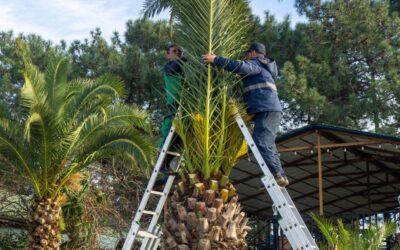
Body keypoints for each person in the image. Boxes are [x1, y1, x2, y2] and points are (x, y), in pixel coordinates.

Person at [202, 42, 289, 187]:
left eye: (248, 54)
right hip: (271, 110)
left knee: (260, 141)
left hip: (265, 109)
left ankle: (276, 174)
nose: (247, 57)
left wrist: (216, 60)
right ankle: (280, 174)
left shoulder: (256, 64)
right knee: (268, 143)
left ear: (254, 53)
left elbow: (241, 66)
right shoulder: (267, 67)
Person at [159, 44, 184, 172]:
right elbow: (174, 68)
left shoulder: (182, 66)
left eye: (178, 51)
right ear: (168, 55)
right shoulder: (169, 66)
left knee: (178, 140)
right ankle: (162, 163)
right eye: (174, 51)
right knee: (169, 130)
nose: (177, 53)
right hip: (174, 105)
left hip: (184, 105)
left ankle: (167, 164)